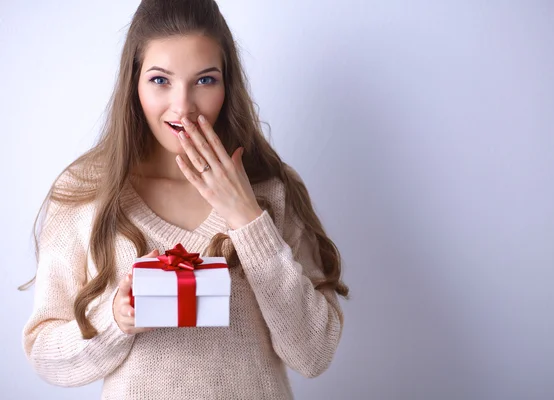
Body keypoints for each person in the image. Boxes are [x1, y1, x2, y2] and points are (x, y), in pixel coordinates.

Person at [21, 0, 349, 398]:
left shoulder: (271, 190)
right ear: (134, 83)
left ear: (228, 85)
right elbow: (43, 352)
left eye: (205, 80)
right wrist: (115, 321)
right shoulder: (86, 192)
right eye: (161, 80)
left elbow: (314, 355)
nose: (183, 106)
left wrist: (247, 218)